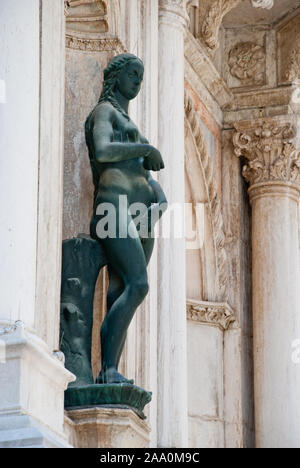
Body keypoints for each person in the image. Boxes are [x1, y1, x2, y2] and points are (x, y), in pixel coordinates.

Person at [85, 53, 167, 384]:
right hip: (112, 209)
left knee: (121, 291)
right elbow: (104, 150)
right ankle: (107, 369)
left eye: (141, 77)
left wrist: (159, 198)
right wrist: (144, 149)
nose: (138, 81)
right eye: (133, 74)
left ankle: (110, 369)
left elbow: (144, 176)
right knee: (139, 284)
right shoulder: (105, 112)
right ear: (116, 76)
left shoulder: (129, 122)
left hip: (141, 214)